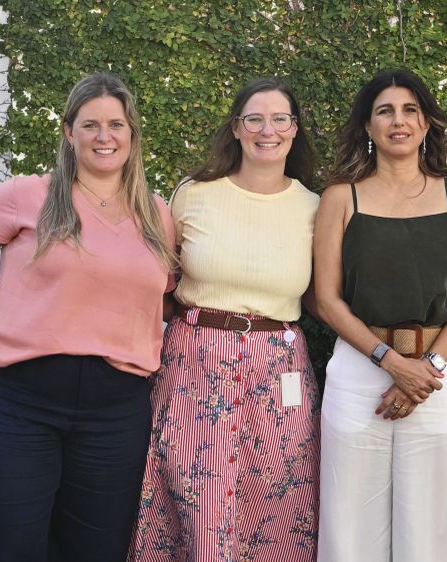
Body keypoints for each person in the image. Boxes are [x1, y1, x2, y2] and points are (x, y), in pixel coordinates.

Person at [0, 72, 176, 562]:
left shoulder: (157, 215)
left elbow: (162, 299)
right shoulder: (26, 196)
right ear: (69, 132)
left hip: (115, 411)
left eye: (116, 124)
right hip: (18, 403)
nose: (104, 137)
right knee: (8, 546)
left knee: (95, 550)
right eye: (90, 125)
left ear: (132, 133)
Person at [129, 77, 320, 562]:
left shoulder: (315, 207)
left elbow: (326, 296)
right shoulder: (194, 194)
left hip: (279, 369)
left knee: (279, 497)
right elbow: (160, 284)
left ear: (295, 130)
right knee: (196, 496)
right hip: (195, 360)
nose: (267, 129)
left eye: (280, 118)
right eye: (254, 118)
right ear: (236, 128)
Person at [313, 69, 447, 562]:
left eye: (410, 110)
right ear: (367, 126)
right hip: (358, 374)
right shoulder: (341, 198)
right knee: (349, 525)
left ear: (427, 122)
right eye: (385, 111)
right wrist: (392, 362)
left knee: (430, 527)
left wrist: (425, 370)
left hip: (436, 375)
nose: (398, 121)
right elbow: (327, 299)